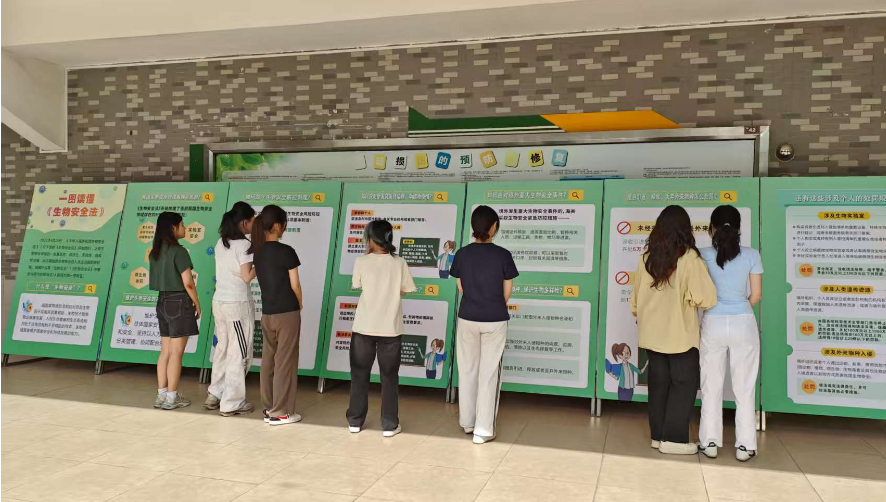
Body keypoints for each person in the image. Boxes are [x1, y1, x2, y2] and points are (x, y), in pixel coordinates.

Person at [631, 205, 717, 455]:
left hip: (651, 334)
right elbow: (706, 298)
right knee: (683, 385)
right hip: (680, 335)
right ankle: (675, 440)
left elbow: (635, 301)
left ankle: (657, 436)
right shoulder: (690, 258)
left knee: (658, 385)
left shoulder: (646, 256)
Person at [697, 205, 763, 462]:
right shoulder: (752, 255)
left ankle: (710, 442)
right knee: (744, 387)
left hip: (712, 321)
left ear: (711, 228)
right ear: (738, 229)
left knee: (711, 385)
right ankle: (745, 446)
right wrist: (740, 309)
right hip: (743, 322)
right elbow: (756, 295)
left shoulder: (701, 255)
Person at [449, 205, 519, 445]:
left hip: (467, 317)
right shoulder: (503, 255)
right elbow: (507, 290)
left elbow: (460, 287)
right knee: (489, 373)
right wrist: (493, 304)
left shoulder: (462, 254)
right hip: (494, 319)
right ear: (494, 227)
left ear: (473, 227)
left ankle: (468, 423)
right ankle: (483, 429)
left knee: (467, 369)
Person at [346, 219, 416, 437]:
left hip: (364, 327)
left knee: (359, 375)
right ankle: (389, 425)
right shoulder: (399, 262)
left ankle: (355, 421)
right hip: (390, 329)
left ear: (370, 238)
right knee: (389, 377)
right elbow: (405, 290)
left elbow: (357, 285)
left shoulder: (361, 261)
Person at [250, 205, 303, 426]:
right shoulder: (286, 251)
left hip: (268, 313)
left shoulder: (258, 252)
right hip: (287, 312)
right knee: (285, 361)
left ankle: (269, 407)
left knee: (268, 360)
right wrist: (300, 304)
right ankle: (280, 412)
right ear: (278, 225)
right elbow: (295, 285)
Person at [205, 202, 257, 416]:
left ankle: (215, 394)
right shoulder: (244, 245)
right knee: (239, 352)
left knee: (223, 348)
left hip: (219, 302)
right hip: (237, 304)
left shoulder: (221, 242)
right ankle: (232, 402)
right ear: (244, 223)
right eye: (253, 221)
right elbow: (246, 277)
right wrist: (260, 262)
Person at [150, 212, 200, 410]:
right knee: (176, 353)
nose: (184, 228)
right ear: (173, 228)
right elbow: (188, 283)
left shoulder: (155, 252)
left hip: (161, 301)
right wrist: (197, 303)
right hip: (179, 301)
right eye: (182, 225)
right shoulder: (179, 251)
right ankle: (172, 398)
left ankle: (161, 395)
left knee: (165, 351)